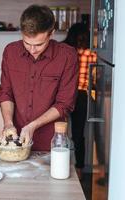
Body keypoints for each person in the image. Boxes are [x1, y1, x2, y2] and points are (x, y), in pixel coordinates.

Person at [0, 4, 79, 151]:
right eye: (27, 43)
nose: (32, 50)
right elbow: (5, 93)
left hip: (52, 143)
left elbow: (64, 104)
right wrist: (8, 123)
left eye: (39, 44)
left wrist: (32, 126)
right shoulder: (11, 52)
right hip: (16, 142)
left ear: (51, 33)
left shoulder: (67, 56)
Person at [62, 22, 97, 179]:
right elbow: (96, 77)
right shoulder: (91, 54)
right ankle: (80, 170)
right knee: (78, 134)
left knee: (58, 131)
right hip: (82, 96)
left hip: (63, 95)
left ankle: (57, 163)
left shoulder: (65, 51)